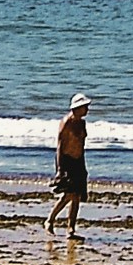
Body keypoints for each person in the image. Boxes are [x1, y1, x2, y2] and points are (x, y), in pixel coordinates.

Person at [48, 95, 93, 238]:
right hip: (67, 161)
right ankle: (50, 220)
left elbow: (81, 145)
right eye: (85, 107)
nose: (87, 110)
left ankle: (71, 228)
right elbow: (60, 146)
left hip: (78, 161)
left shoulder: (82, 123)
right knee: (69, 195)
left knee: (77, 196)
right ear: (77, 108)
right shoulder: (66, 122)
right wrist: (60, 169)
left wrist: (83, 166)